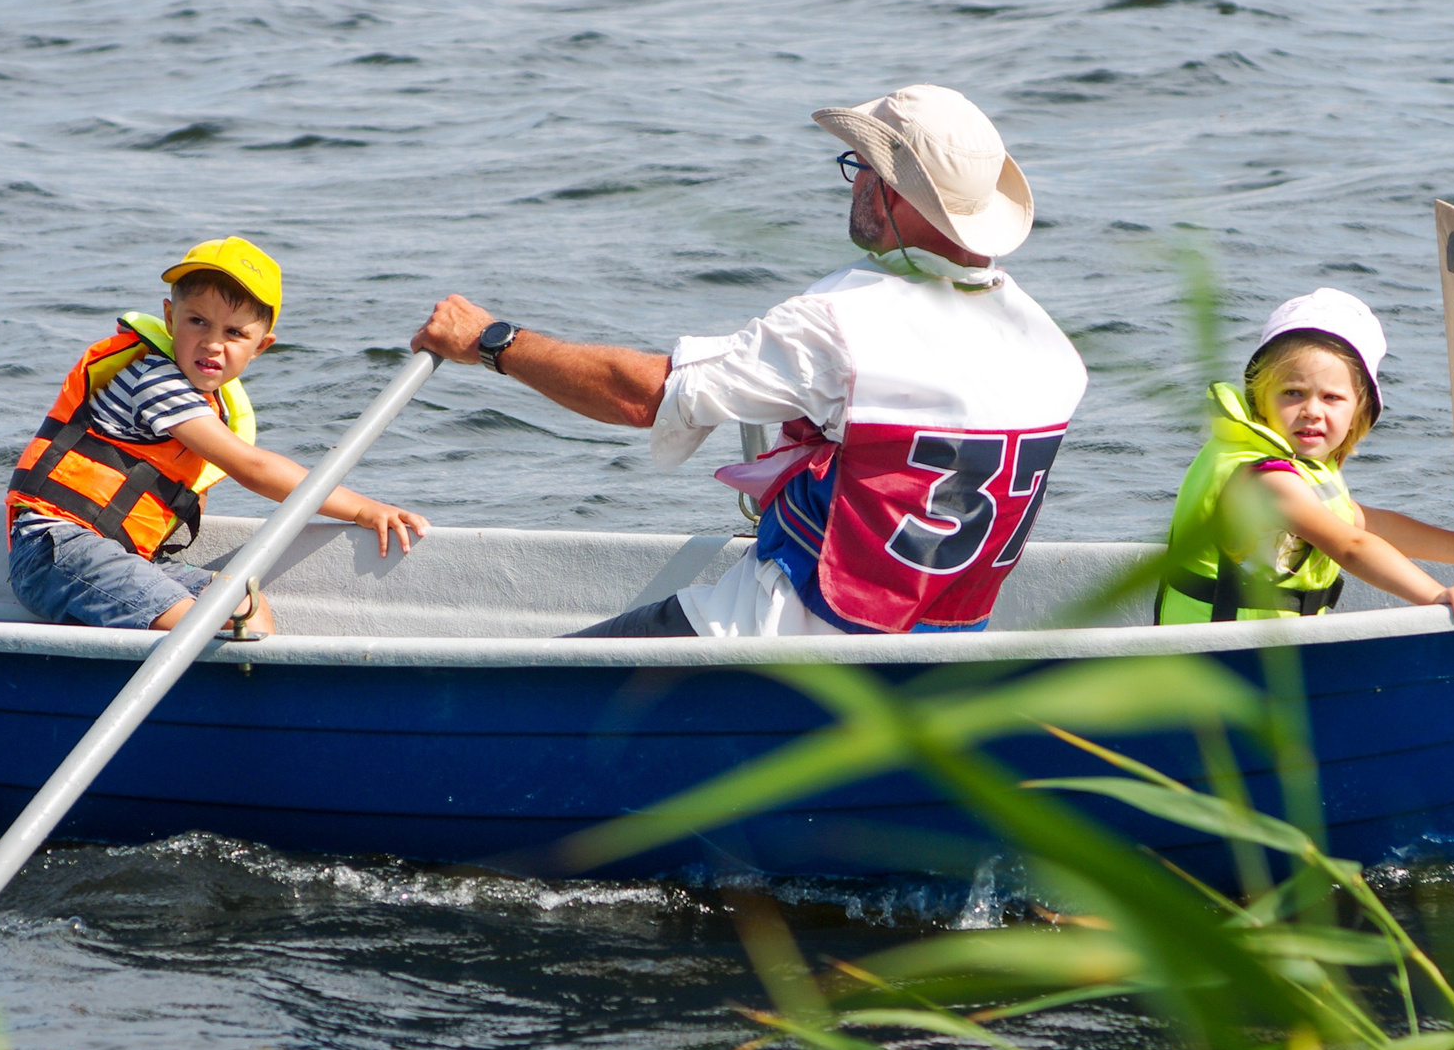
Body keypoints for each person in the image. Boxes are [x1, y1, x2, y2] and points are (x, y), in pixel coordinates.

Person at [410, 85, 1088, 637]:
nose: (852, 183)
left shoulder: (841, 323)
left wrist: (492, 340)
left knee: (537, 688)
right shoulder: (1053, 352)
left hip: (780, 639)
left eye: (860, 166)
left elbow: (644, 396)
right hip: (939, 648)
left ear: (899, 194)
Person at [5, 238, 428, 633]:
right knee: (210, 624)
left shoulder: (204, 402)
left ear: (261, 346)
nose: (212, 343)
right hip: (57, 549)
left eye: (234, 332)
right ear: (170, 318)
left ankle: (238, 687)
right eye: (198, 322)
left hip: (120, 555)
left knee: (246, 608)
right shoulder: (157, 382)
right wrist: (362, 508)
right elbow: (253, 468)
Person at [1156, 288, 1454, 626]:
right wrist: (1437, 595)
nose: (1311, 411)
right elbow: (1351, 545)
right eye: (1292, 393)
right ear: (1260, 399)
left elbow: (1365, 524)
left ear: (1358, 412)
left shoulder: (1303, 470)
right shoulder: (1268, 481)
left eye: (1331, 398)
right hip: (1219, 655)